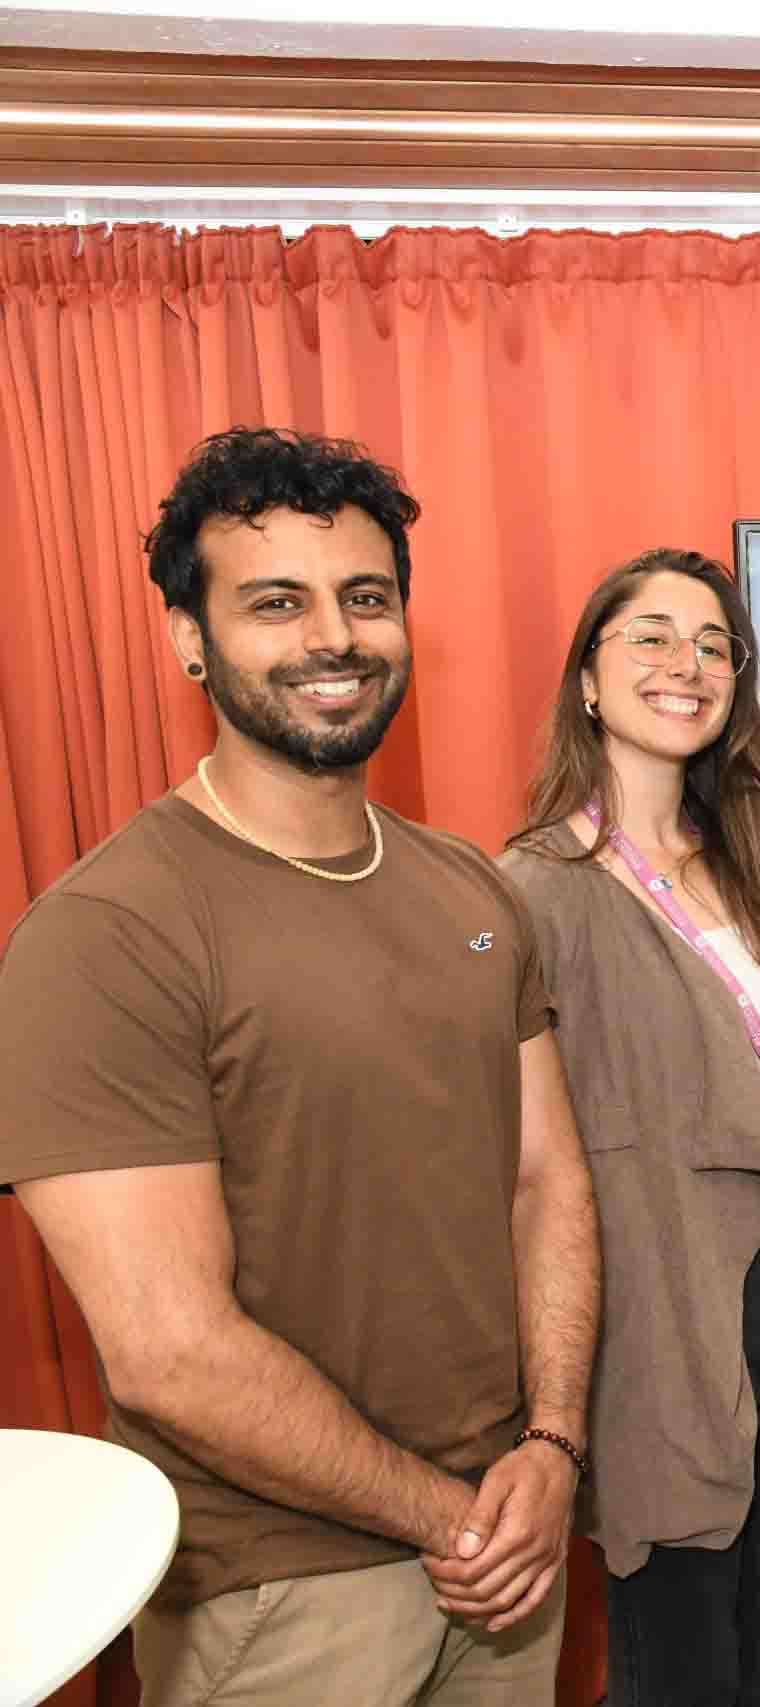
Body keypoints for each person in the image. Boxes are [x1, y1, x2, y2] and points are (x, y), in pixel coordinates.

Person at [0, 427, 599, 1704]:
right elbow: (168, 1349)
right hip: (281, 1585)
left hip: (508, 1538)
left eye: (365, 597)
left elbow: (547, 1179)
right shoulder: (106, 935)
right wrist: (449, 1516)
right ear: (189, 639)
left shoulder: (468, 888)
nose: (333, 636)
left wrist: (550, 1447)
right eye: (276, 602)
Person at [500, 548, 760, 1707]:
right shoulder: (534, 889)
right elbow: (522, 1146)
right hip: (662, 1287)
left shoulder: (749, 866)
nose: (686, 662)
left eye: (713, 644)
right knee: (680, 1616)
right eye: (650, 636)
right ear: (587, 679)